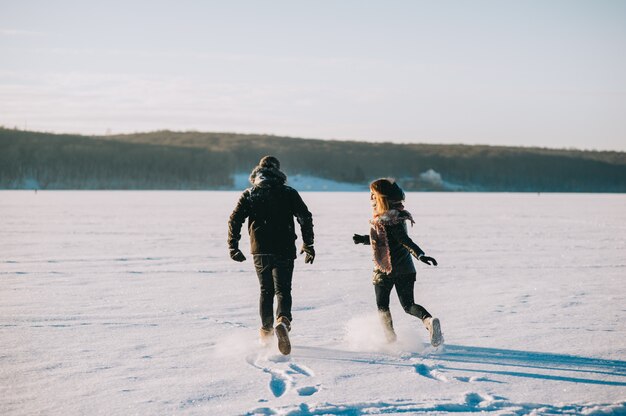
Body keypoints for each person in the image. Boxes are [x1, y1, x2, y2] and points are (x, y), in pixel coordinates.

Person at [228, 156, 315, 355]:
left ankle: (266, 332)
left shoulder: (250, 193)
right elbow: (305, 217)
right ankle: (283, 321)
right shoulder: (288, 192)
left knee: (266, 290)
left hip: (259, 249)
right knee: (283, 289)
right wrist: (308, 243)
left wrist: (233, 246)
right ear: (278, 171)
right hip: (284, 248)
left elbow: (234, 220)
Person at [353, 178, 443, 347]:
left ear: (381, 198)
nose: (370, 198)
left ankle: (391, 341)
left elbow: (403, 240)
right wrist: (364, 239)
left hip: (384, 270)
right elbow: (386, 240)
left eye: (372, 195)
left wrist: (421, 254)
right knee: (409, 305)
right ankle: (429, 320)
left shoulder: (388, 219)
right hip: (405, 269)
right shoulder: (395, 216)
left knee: (382, 306)